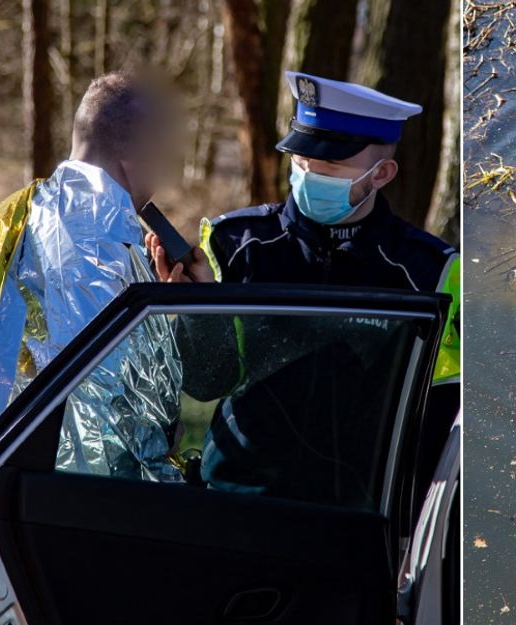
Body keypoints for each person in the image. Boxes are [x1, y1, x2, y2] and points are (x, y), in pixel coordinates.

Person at [149, 71, 460, 501]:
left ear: (382, 173)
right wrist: (194, 306)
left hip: (359, 515)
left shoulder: (429, 273)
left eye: (330, 165)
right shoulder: (236, 243)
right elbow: (206, 382)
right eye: (300, 161)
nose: (309, 173)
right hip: (236, 496)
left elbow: (445, 413)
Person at [0, 71, 186, 480]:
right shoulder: (96, 240)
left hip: (14, 477)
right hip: (75, 499)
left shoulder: (24, 214)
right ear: (136, 161)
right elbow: (107, 410)